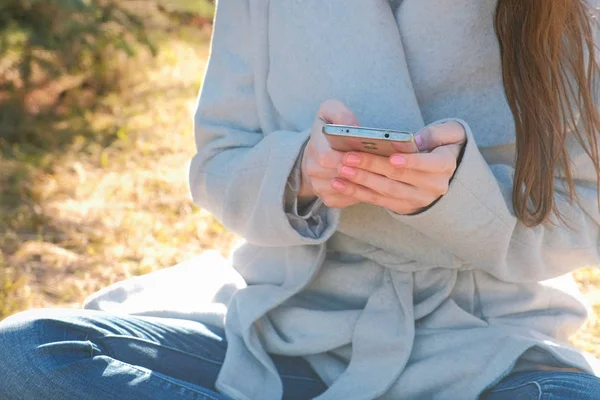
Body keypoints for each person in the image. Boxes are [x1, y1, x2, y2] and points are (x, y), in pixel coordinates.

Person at [2, 0, 600, 399]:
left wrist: (460, 200)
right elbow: (217, 161)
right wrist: (302, 171)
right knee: (29, 354)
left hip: (481, 346)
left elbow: (587, 210)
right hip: (286, 332)